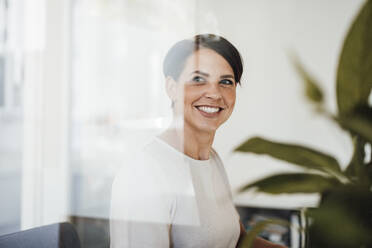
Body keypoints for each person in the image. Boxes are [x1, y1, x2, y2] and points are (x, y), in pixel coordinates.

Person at [110, 34, 285, 248]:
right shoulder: (144, 172)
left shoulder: (212, 159)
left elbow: (237, 240)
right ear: (171, 87)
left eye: (226, 82)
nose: (214, 93)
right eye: (198, 79)